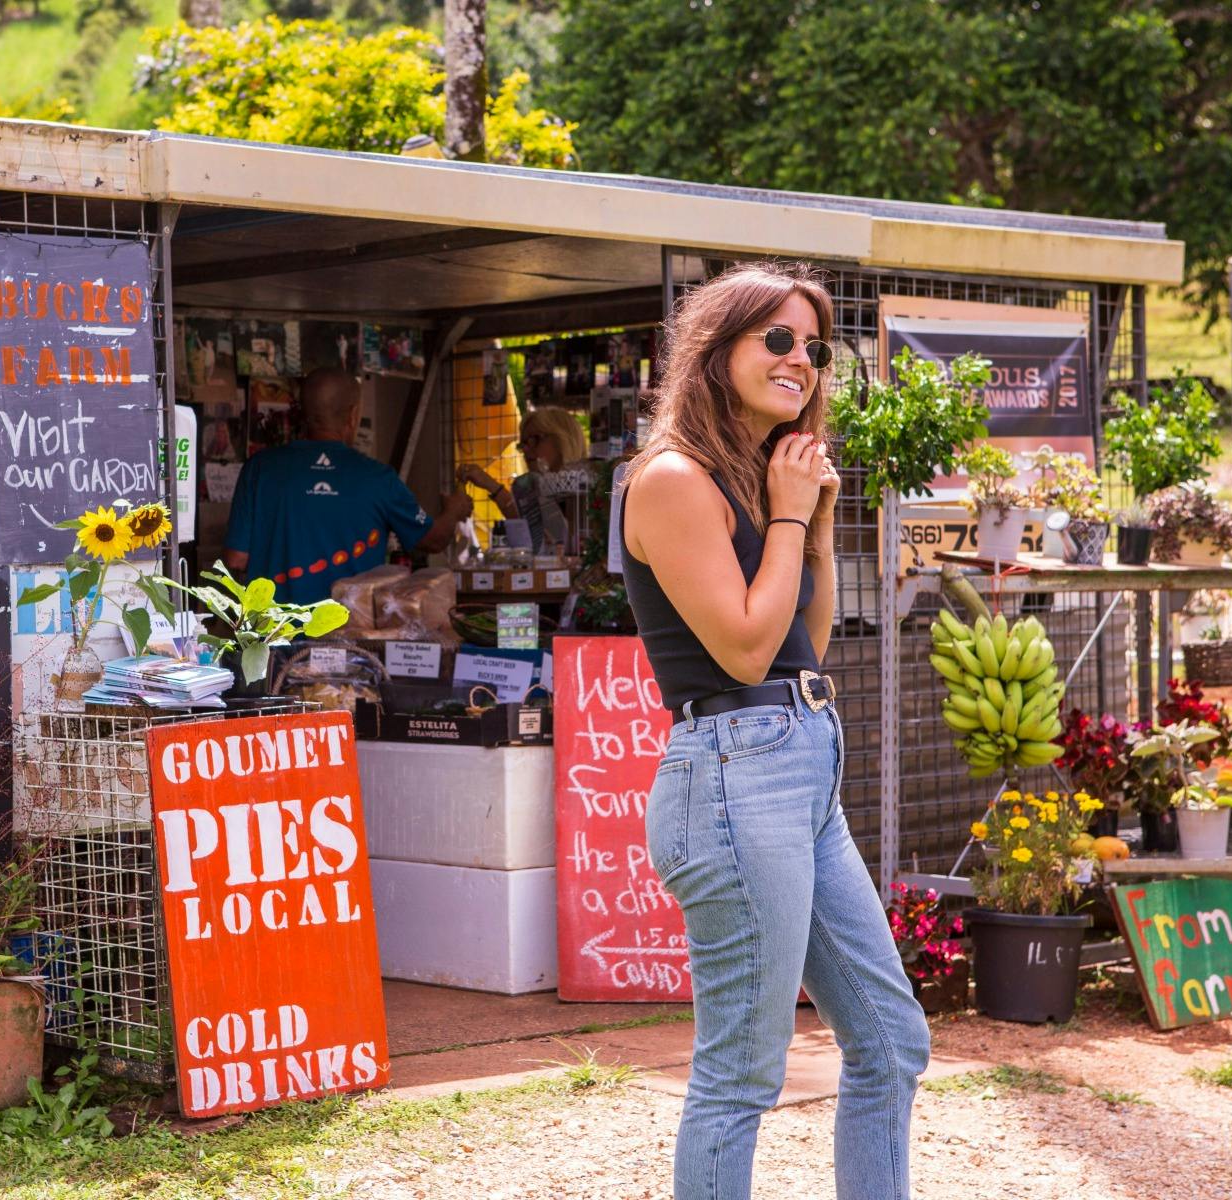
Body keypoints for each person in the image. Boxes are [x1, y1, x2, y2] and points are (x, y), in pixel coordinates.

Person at [619, 262, 930, 1200]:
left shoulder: (755, 481)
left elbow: (805, 646)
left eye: (816, 347)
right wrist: (788, 512)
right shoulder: (672, 479)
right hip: (731, 778)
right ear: (716, 351)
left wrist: (813, 525)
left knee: (891, 1042)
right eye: (779, 339)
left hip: (798, 764)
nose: (802, 360)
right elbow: (747, 652)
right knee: (742, 1075)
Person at [225, 368, 473, 603]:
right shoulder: (378, 478)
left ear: (301, 412)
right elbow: (432, 540)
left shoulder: (260, 469)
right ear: (353, 416)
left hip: (272, 629)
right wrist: (454, 511)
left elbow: (236, 560)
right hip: (350, 629)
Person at [456, 407, 588, 553]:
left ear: (563, 439)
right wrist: (490, 485)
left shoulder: (588, 488)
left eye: (534, 440)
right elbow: (526, 529)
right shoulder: (530, 487)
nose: (525, 449)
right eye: (523, 444)